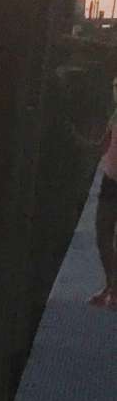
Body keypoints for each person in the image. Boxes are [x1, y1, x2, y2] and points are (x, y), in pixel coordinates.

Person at [92, 78, 117, 308]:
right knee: (102, 232)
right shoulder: (114, 113)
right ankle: (111, 284)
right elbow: (104, 142)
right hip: (110, 178)